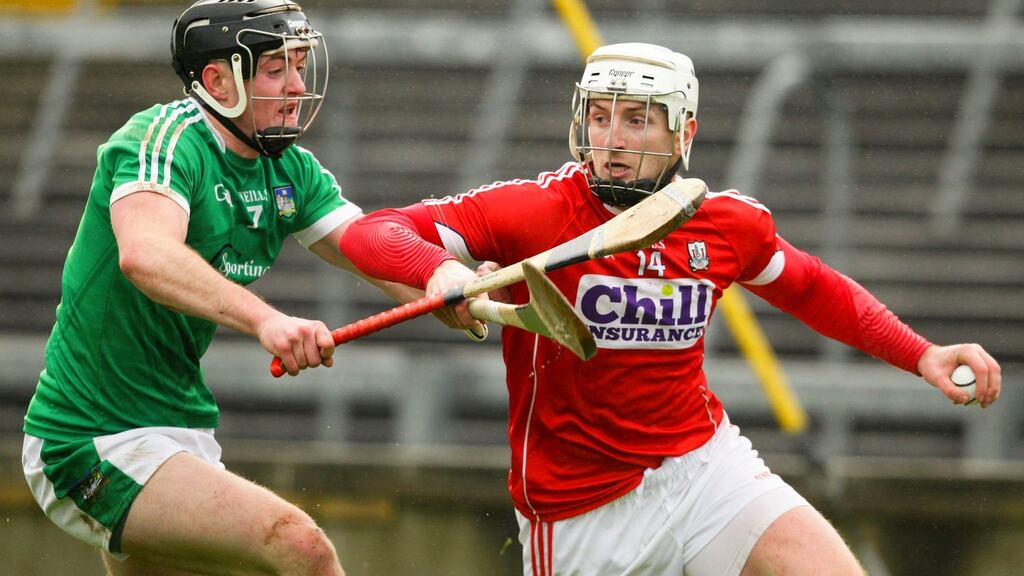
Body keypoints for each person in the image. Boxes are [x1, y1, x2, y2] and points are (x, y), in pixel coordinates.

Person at [339, 42, 1003, 575]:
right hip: (580, 510)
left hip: (702, 467)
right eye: (600, 116)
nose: (613, 139)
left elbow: (811, 287)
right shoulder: (534, 213)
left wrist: (923, 354)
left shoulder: (726, 223)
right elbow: (372, 232)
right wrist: (442, 270)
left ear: (683, 130)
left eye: (636, 119)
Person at [20, 1, 441, 574]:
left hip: (179, 431)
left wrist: (450, 284)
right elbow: (146, 255)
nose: (296, 86)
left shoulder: (291, 170)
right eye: (276, 69)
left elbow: (372, 249)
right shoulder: (163, 140)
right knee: (300, 545)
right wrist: (267, 320)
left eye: (299, 65)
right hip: (93, 438)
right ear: (217, 80)